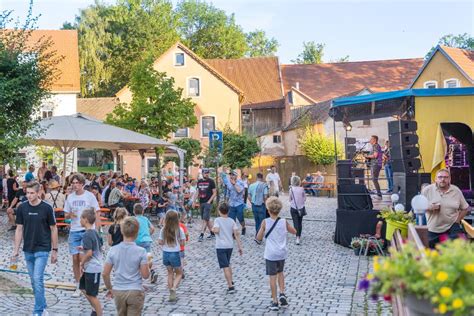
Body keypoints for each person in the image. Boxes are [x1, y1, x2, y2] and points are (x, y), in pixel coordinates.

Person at [12, 181, 58, 315]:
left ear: (39, 193)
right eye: (27, 193)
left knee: (38, 279)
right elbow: (19, 229)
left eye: (32, 193)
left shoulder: (47, 208)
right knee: (33, 281)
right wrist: (15, 250)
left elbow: (53, 229)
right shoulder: (22, 208)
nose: (29, 195)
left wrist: (55, 250)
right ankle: (43, 305)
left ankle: (38, 311)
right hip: (28, 249)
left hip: (43, 249)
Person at [256, 197, 297, 311]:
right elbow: (294, 231)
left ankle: (275, 301)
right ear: (279, 210)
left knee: (272, 278)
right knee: (281, 272)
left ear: (268, 210)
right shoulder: (283, 222)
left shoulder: (265, 222)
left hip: (271, 254)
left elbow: (258, 238)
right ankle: (282, 293)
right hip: (282, 253)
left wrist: (262, 231)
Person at [103, 216, 150, 316]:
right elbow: (145, 275)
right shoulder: (141, 252)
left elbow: (105, 273)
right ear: (137, 233)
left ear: (122, 231)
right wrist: (149, 265)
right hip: (135, 290)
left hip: (119, 290)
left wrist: (110, 288)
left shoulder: (113, 250)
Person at [63, 173, 100, 297]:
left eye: (76, 183)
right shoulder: (70, 197)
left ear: (82, 184)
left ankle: (87, 282)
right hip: (74, 230)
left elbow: (96, 212)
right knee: (75, 258)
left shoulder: (89, 196)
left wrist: (98, 230)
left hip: (87, 231)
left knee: (87, 257)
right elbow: (65, 215)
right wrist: (69, 215)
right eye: (72, 183)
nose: (74, 185)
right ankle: (78, 284)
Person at [421, 169, 470, 248]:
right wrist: (430, 207)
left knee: (455, 251)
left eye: (445, 177)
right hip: (433, 229)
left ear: (449, 179)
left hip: (452, 227)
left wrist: (457, 221)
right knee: (433, 254)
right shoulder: (427, 190)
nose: (443, 179)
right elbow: (418, 207)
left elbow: (465, 208)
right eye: (440, 177)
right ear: (435, 179)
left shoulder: (456, 190)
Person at [212, 203, 243, 294]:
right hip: (230, 246)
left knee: (225, 266)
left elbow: (217, 230)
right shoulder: (231, 221)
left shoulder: (217, 220)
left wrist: (213, 230)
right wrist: (240, 247)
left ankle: (230, 286)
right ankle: (231, 280)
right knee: (228, 264)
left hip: (221, 246)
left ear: (219, 211)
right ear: (228, 211)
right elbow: (236, 234)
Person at [79, 208, 103, 316]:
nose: (80, 220)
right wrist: (83, 247)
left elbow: (89, 253)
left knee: (92, 295)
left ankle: (99, 313)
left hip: (93, 267)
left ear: (86, 220)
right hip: (91, 267)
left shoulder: (87, 234)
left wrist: (81, 263)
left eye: (81, 218)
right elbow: (95, 246)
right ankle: (94, 310)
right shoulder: (94, 232)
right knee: (83, 288)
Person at [158, 210, 186, 302]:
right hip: (175, 253)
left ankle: (171, 293)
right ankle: (173, 288)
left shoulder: (163, 229)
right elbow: (183, 242)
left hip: (165, 253)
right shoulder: (179, 229)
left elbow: (160, 242)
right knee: (179, 273)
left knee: (170, 273)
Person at [134, 203, 158, 283]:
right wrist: (148, 234)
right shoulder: (145, 219)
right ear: (143, 211)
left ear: (134, 211)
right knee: (148, 257)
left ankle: (137, 275)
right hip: (146, 240)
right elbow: (152, 228)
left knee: (137, 258)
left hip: (137, 241)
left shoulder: (134, 219)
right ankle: (153, 271)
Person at [221, 170, 247, 236]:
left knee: (240, 218)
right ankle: (233, 233)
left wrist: (234, 184)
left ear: (236, 176)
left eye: (233, 175)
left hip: (239, 204)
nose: (231, 176)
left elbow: (239, 190)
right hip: (231, 204)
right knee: (232, 219)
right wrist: (226, 202)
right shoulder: (228, 183)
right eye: (230, 175)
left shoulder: (240, 182)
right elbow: (227, 194)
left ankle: (243, 227)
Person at [197, 168, 217, 241]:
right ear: (202, 173)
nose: (207, 174)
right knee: (206, 219)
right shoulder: (199, 181)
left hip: (208, 203)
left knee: (205, 219)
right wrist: (193, 201)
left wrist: (209, 201)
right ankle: (212, 234)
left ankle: (201, 235)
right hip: (201, 202)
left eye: (208, 173)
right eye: (205, 173)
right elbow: (198, 191)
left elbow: (215, 193)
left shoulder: (211, 181)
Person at [248, 173, 269, 240]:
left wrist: (252, 202)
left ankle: (257, 235)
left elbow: (249, 196)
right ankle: (259, 237)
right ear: (262, 178)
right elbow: (265, 196)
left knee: (257, 221)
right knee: (262, 222)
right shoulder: (264, 185)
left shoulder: (251, 185)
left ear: (256, 177)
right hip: (262, 205)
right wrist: (266, 205)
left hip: (254, 205)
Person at [289, 176, 306, 245]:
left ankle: (297, 237)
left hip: (293, 208)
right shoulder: (302, 189)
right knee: (300, 222)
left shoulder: (291, 189)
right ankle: (299, 236)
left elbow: (290, 199)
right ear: (299, 181)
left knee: (295, 222)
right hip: (301, 208)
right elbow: (304, 199)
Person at [366, 135, 383, 199]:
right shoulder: (374, 146)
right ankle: (378, 194)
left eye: (371, 139)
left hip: (375, 164)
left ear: (374, 140)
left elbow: (375, 156)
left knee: (374, 179)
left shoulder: (376, 146)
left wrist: (367, 156)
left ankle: (379, 195)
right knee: (374, 179)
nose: (370, 140)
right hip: (375, 164)